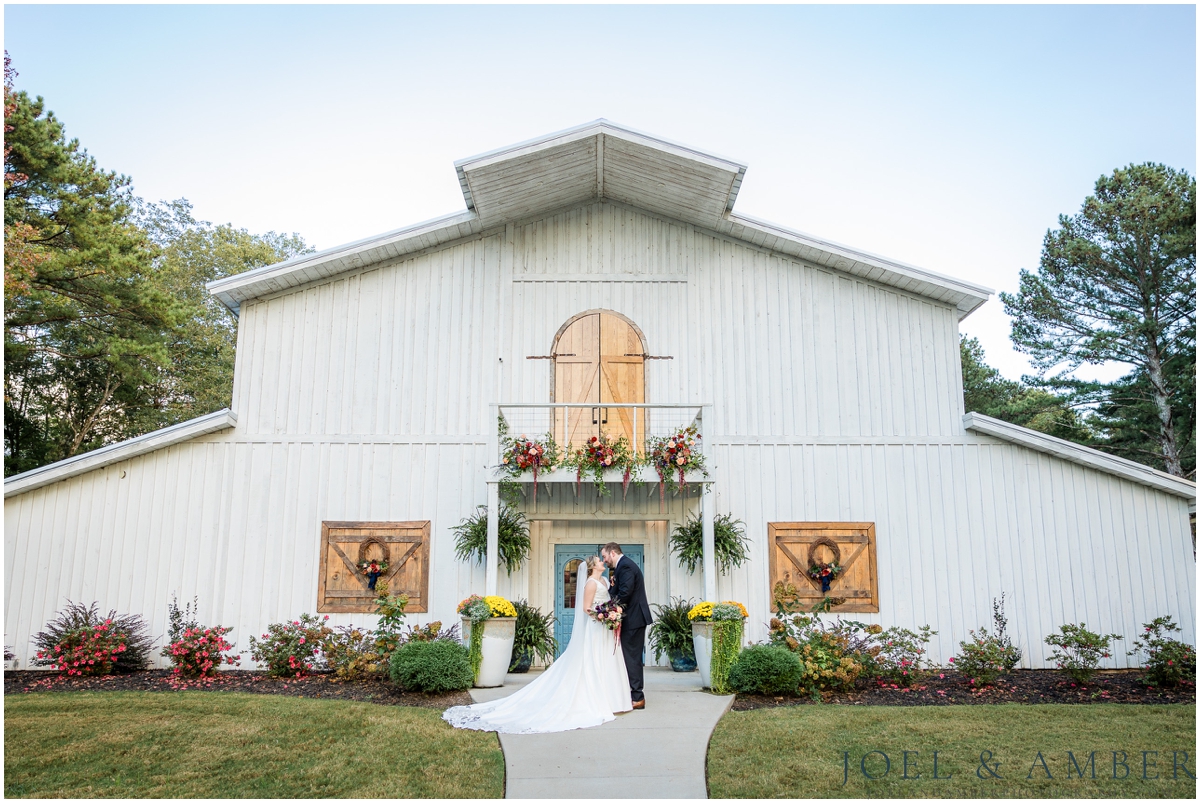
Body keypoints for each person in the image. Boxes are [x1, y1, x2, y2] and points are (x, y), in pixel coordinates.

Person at [442, 555, 632, 733]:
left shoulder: (605, 582)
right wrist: (602, 616)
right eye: (600, 561)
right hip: (595, 626)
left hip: (605, 629)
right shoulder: (590, 583)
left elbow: (609, 599)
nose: (603, 563)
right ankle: (595, 697)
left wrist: (611, 613)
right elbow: (585, 607)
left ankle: (611, 699)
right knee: (592, 659)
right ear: (593, 567)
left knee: (606, 659)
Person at [602, 542, 652, 709]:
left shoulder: (625, 567)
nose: (604, 560)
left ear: (613, 553)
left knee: (632, 658)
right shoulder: (621, 567)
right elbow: (621, 590)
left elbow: (626, 593)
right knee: (628, 658)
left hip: (634, 620)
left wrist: (608, 608)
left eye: (605, 556)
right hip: (632, 619)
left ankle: (638, 697)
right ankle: (631, 694)